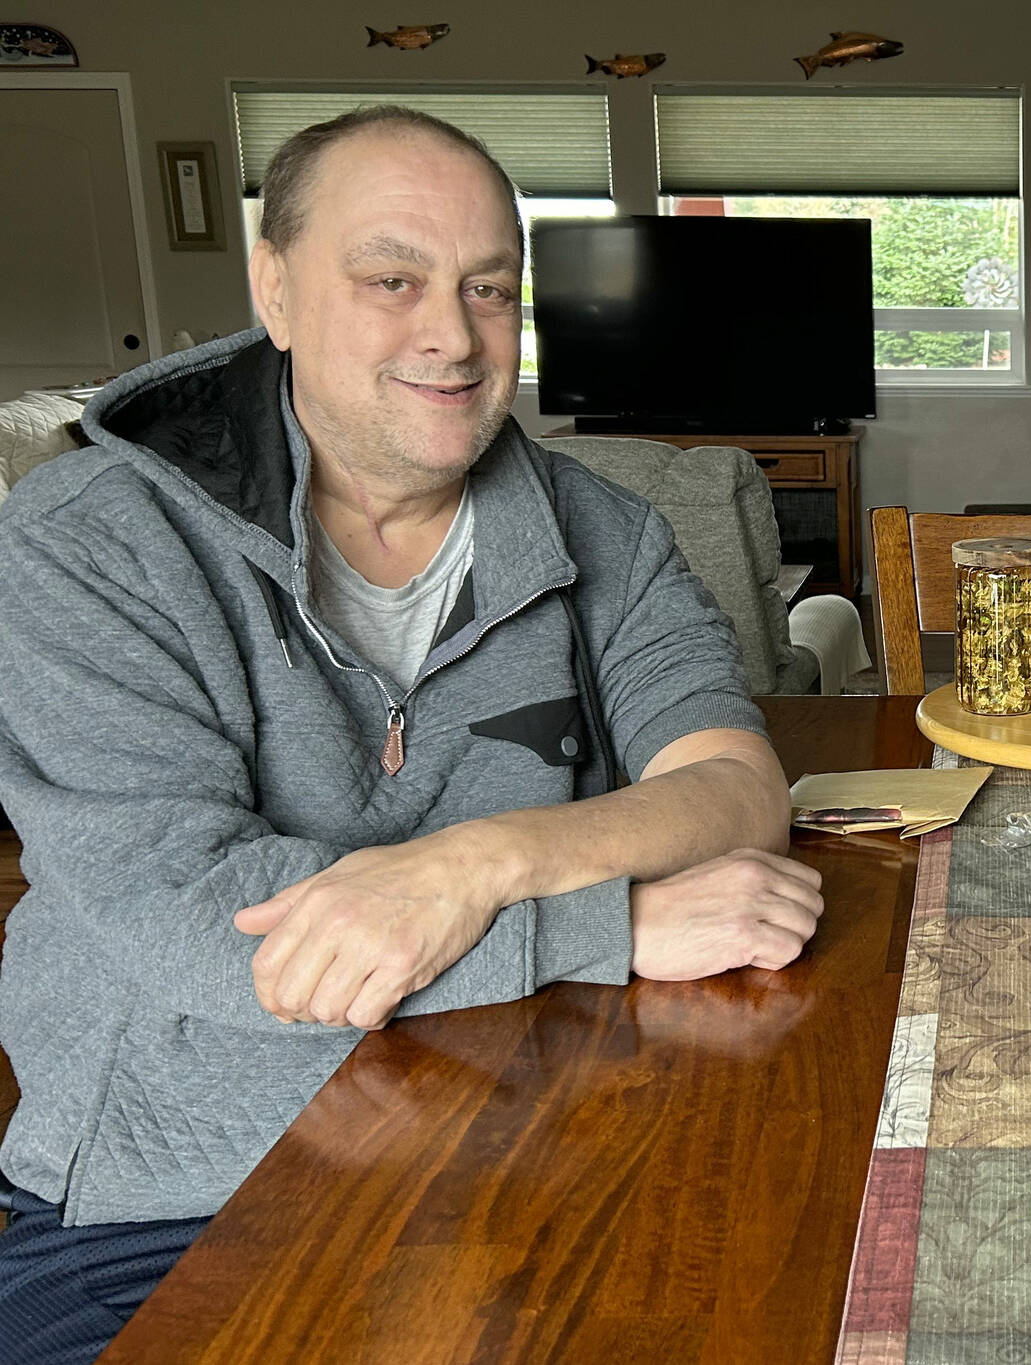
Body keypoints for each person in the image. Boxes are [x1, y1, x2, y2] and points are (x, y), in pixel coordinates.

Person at [0, 106, 825, 1362]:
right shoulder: (84, 543)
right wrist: (611, 922)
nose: (451, 335)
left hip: (532, 1126)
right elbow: (194, 913)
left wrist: (478, 863)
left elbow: (733, 784)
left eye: (488, 288)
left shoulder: (608, 530)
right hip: (177, 1182)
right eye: (392, 280)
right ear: (273, 285)